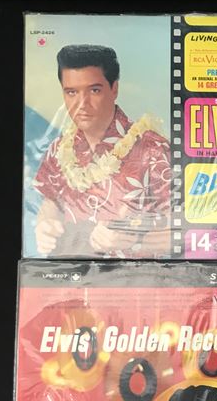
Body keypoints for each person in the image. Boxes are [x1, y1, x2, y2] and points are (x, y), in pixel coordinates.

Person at [33, 44, 171, 257]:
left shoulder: (153, 148)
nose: (82, 104)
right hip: (68, 273)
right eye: (71, 92)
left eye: (94, 90)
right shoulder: (58, 148)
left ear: (114, 89)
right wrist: (45, 224)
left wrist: (135, 238)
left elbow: (186, 231)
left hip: (133, 276)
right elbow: (51, 202)